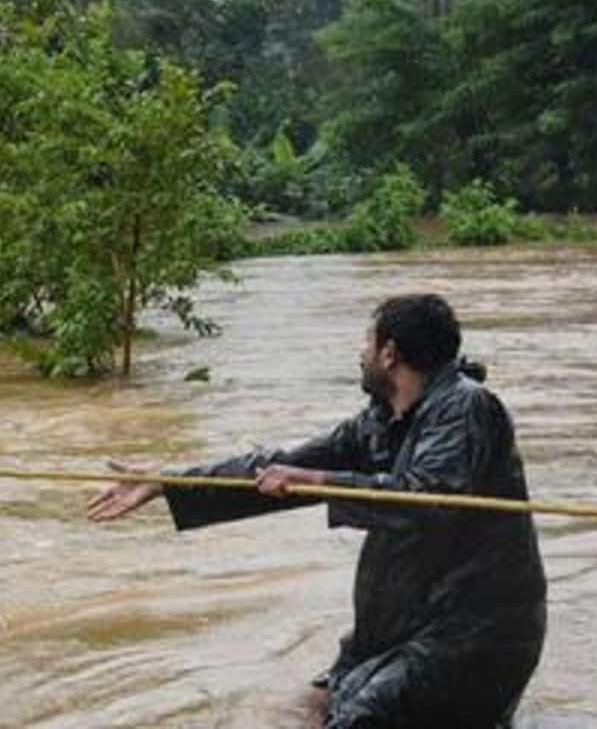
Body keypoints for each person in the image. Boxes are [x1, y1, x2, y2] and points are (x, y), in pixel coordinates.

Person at [86, 294, 546, 729]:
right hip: (400, 627)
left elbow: (426, 501)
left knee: (358, 719)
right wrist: (170, 483)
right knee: (303, 709)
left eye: (367, 342)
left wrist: (322, 483)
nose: (359, 352)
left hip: (474, 633)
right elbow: (283, 469)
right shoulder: (381, 420)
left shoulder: (466, 407)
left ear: (389, 353)